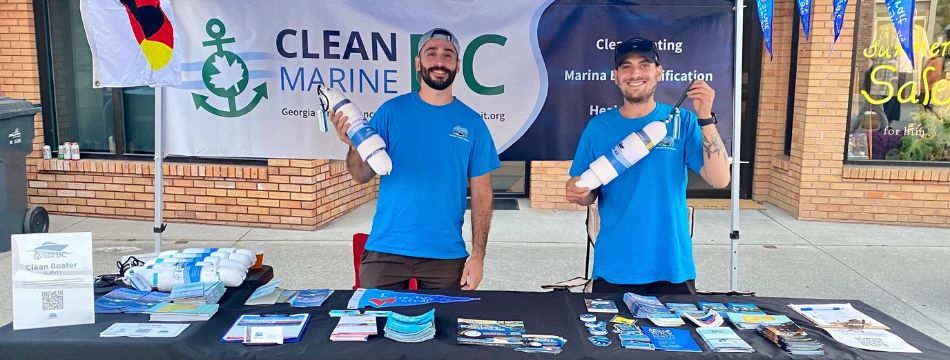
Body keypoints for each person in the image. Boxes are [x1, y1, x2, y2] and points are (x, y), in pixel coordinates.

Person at [330, 28, 500, 290]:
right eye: (431, 53)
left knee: (446, 329)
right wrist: (353, 147)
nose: (440, 61)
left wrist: (478, 256)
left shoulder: (473, 124)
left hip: (445, 255)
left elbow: (482, 193)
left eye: (448, 55)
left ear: (457, 66)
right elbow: (361, 176)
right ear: (418, 63)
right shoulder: (390, 113)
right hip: (385, 251)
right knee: (372, 328)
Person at [564, 37, 731, 294]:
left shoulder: (683, 121)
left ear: (658, 72)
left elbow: (720, 180)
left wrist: (705, 117)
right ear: (616, 76)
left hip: (672, 266)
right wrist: (579, 192)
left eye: (644, 65)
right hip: (616, 266)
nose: (635, 73)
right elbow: (588, 195)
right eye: (626, 66)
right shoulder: (597, 127)